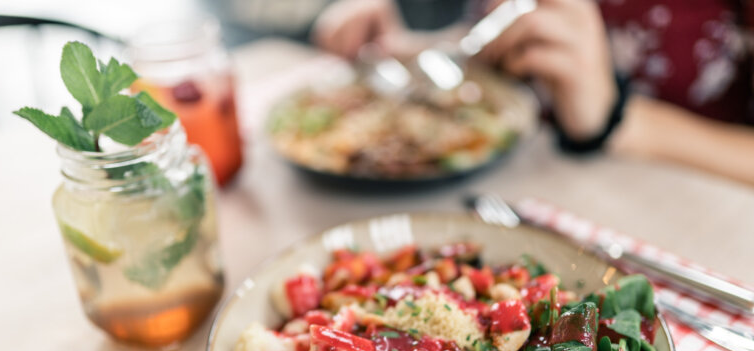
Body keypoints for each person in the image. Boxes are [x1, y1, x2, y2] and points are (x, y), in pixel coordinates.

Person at [312, 0, 754, 185]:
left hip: (675, 212)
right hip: (497, 184)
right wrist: (398, 47)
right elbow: (495, 44)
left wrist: (616, 118)